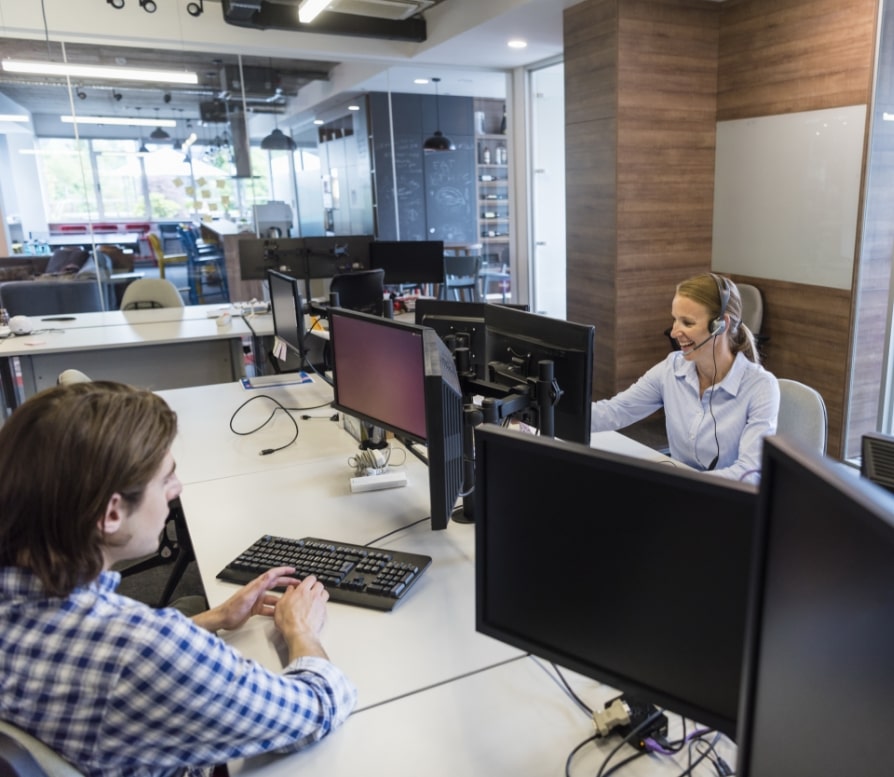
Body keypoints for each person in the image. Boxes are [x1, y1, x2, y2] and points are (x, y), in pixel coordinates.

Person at [0, 381, 357, 777]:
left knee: (196, 608)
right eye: (166, 480)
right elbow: (317, 707)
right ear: (112, 514)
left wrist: (213, 619)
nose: (177, 490)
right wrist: (301, 629)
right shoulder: (142, 649)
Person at [591, 272, 779, 483]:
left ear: (720, 325)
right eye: (675, 319)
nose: (674, 332)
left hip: (726, 497)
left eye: (687, 323)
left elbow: (749, 472)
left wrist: (685, 485)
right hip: (681, 489)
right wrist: (561, 415)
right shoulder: (671, 368)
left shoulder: (760, 387)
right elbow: (616, 410)